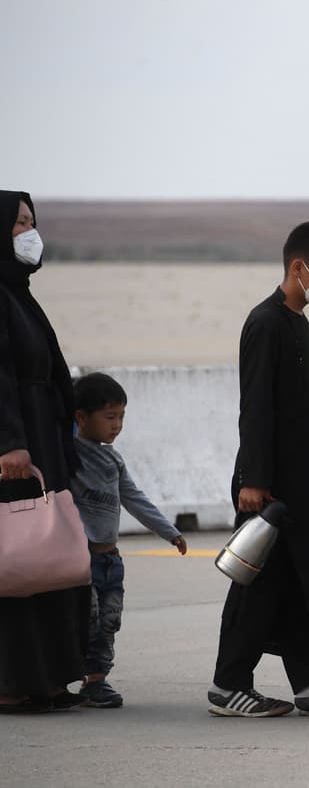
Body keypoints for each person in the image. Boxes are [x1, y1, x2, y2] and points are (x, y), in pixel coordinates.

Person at [208, 221, 309, 718]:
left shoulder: (298, 321)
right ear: (299, 267)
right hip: (270, 484)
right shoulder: (266, 323)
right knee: (258, 585)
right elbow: (255, 404)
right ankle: (227, 686)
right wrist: (255, 479)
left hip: (304, 479)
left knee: (305, 581)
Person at [0, 190, 91, 714]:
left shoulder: (20, 295)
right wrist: (9, 441)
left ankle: (50, 678)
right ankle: (12, 681)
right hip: (17, 450)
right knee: (18, 562)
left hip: (43, 440)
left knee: (51, 556)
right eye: (18, 223)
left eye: (32, 222)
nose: (29, 233)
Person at [69, 372, 189, 709]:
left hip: (111, 560)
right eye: (109, 417)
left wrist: (169, 531)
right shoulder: (68, 455)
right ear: (82, 418)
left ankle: (96, 682)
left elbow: (134, 498)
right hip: (81, 560)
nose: (117, 425)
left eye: (121, 416)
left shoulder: (113, 459)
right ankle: (66, 675)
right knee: (87, 620)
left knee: (109, 621)